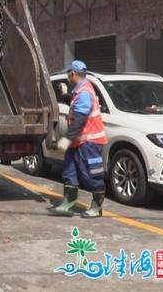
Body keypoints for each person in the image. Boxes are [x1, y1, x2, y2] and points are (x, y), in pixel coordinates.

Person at [48, 60, 107, 218]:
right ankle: (68, 204)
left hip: (89, 143)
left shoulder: (84, 93)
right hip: (78, 142)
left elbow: (80, 119)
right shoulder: (81, 90)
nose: (67, 76)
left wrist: (67, 139)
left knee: (91, 176)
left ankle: (97, 207)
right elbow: (76, 105)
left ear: (73, 73)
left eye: (68, 73)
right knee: (69, 172)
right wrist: (66, 95)